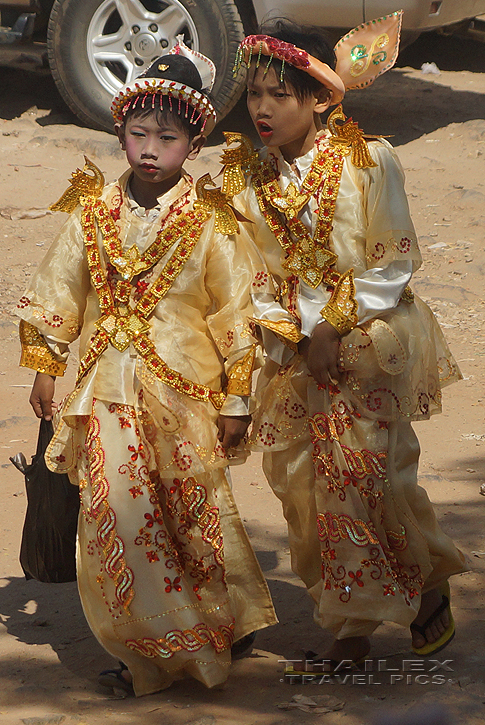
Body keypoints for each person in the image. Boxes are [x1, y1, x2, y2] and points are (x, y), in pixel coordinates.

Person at [16, 39, 276, 696]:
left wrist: (237, 400)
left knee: (194, 514)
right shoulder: (91, 211)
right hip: (106, 393)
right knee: (116, 520)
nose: (151, 149)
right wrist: (47, 363)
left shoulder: (213, 222)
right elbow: (58, 287)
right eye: (138, 134)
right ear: (120, 133)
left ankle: (223, 618)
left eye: (168, 136)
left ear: (195, 142)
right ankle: (152, 652)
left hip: (189, 396)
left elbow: (236, 313)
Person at [221, 14, 467, 669]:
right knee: (298, 485)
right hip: (287, 350)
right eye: (254, 95)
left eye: (280, 95)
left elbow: (392, 259)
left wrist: (332, 323)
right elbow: (245, 269)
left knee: (367, 480)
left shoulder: (367, 159)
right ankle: (409, 581)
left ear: (317, 99)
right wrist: (286, 333)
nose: (263, 108)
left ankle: (355, 627)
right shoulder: (244, 178)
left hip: (369, 340)